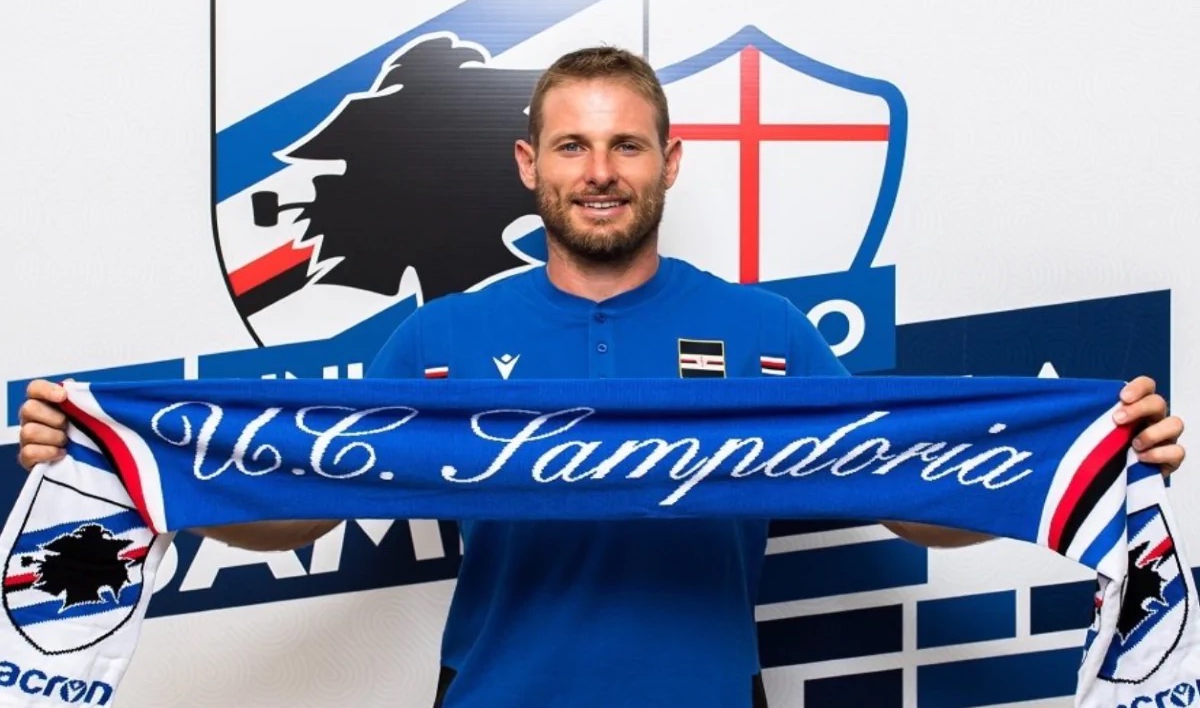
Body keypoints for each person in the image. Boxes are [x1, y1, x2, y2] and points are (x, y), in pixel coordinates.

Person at [16, 47, 1186, 708]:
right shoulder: (440, 340)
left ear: (671, 162)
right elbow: (302, 508)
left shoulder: (767, 332)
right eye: (573, 145)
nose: (600, 171)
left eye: (627, 144)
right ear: (530, 166)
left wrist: (1089, 456)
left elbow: (911, 498)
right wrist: (132, 460)